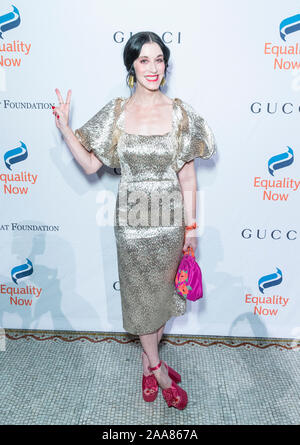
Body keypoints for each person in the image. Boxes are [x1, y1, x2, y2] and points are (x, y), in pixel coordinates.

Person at [52, 31, 216, 410]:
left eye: (159, 59)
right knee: (142, 303)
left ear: (166, 65)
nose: (153, 68)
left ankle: (146, 365)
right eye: (144, 60)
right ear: (132, 66)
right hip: (132, 225)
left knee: (162, 301)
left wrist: (191, 229)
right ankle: (158, 370)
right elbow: (93, 165)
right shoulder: (116, 113)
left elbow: (188, 178)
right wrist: (64, 129)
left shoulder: (180, 113)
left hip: (171, 223)